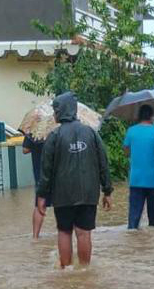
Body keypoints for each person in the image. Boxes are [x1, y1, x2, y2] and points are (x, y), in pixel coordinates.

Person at [35, 92, 113, 268]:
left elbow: (45, 171)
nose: (54, 114)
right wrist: (107, 191)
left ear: (61, 112)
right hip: (88, 193)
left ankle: (67, 270)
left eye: (55, 110)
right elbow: (103, 163)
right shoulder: (91, 133)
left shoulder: (54, 137)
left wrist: (41, 196)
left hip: (62, 195)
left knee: (64, 232)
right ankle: (84, 271)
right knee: (84, 233)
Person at [123, 104, 154, 229]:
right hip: (153, 179)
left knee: (134, 218)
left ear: (139, 116)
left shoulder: (131, 131)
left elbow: (126, 152)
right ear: (151, 116)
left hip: (136, 179)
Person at [23, 131, 53, 238]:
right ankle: (65, 234)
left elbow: (25, 150)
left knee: (39, 206)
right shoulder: (59, 130)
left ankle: (35, 236)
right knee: (62, 206)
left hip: (41, 175)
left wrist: (37, 147)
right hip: (59, 175)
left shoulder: (33, 131)